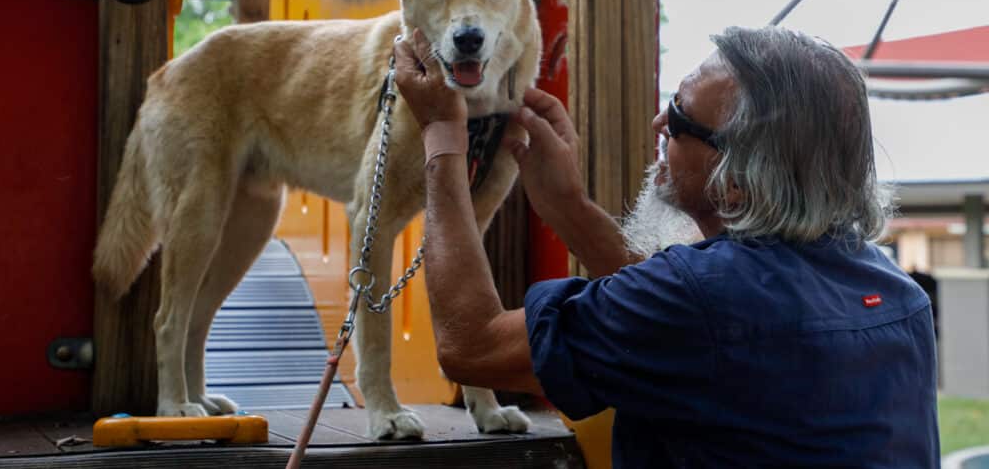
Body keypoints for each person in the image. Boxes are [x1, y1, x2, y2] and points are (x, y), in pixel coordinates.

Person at [392, 25, 939, 468]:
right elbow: (688, 322)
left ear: (738, 178)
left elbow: (471, 345)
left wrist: (442, 136)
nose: (658, 121)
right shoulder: (895, 292)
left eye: (678, 118)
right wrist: (569, 207)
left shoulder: (700, 301)